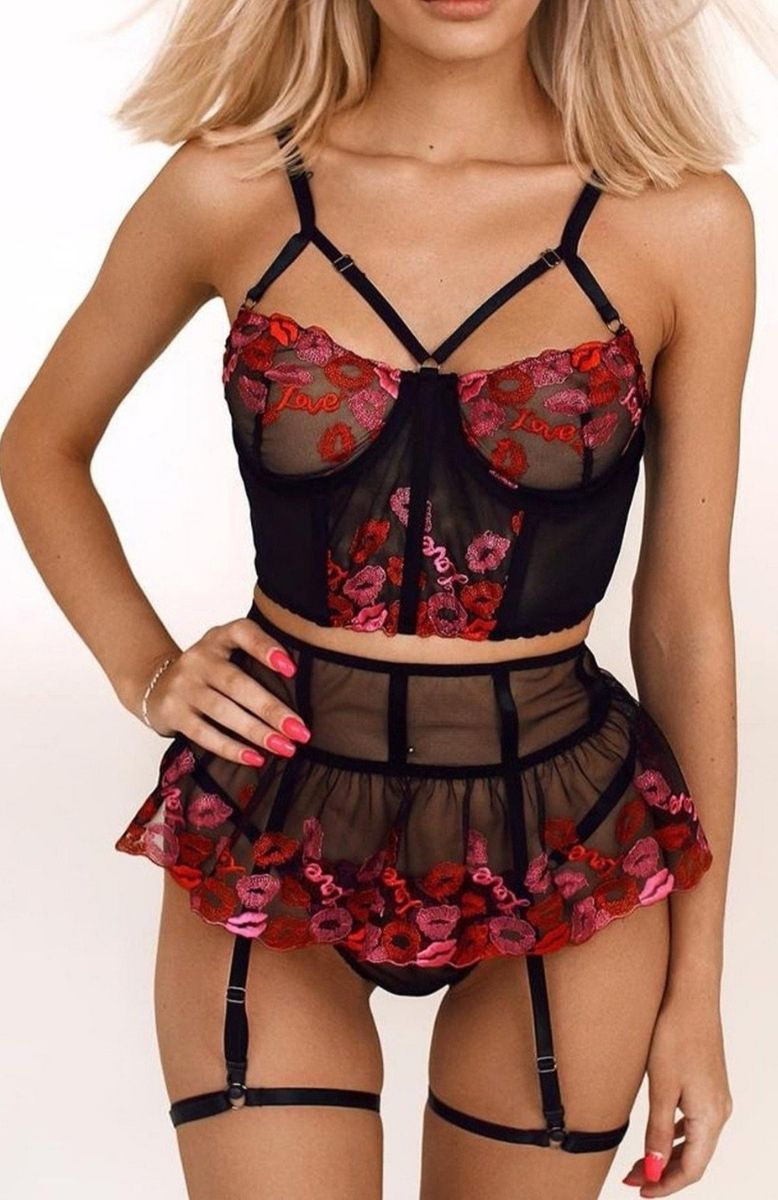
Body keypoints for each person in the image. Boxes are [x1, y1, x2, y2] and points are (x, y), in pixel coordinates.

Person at [1, 1, 768, 1197]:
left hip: (570, 839)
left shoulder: (684, 221)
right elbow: (40, 444)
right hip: (270, 816)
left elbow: (683, 618)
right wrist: (144, 669)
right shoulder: (230, 186)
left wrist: (697, 994)